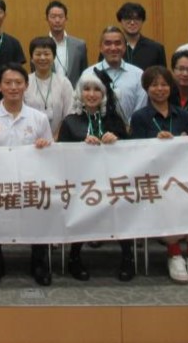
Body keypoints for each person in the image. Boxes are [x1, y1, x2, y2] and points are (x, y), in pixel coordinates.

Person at [0, 63, 54, 287]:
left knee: (38, 215)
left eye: (18, 83)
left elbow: (51, 153)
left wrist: (44, 146)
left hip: (30, 181)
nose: (13, 87)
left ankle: (38, 260)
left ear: (26, 86)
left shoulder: (39, 118)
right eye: (8, 83)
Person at [130, 66, 188, 283]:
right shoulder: (140, 117)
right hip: (154, 178)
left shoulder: (184, 115)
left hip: (182, 175)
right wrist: (155, 143)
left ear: (171, 87)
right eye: (154, 85)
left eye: (164, 84)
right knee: (168, 197)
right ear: (146, 88)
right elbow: (134, 152)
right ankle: (174, 254)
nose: (160, 89)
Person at [57, 73, 127, 281]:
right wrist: (80, 147)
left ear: (104, 95)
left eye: (97, 90)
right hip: (81, 183)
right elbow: (61, 155)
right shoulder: (70, 122)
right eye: (87, 89)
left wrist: (117, 139)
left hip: (112, 181)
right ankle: (74, 257)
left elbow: (131, 151)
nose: (92, 94)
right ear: (80, 93)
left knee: (124, 209)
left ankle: (128, 257)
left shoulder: (114, 120)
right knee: (79, 210)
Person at [81, 26, 147, 129]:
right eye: (108, 43)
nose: (113, 48)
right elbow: (82, 106)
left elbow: (141, 107)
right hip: (97, 132)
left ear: (124, 47)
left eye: (118, 43)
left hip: (131, 132)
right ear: (101, 48)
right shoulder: (89, 74)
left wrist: (129, 127)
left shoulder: (138, 74)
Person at [24, 36, 74, 137]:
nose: (42, 58)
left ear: (54, 57)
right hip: (29, 138)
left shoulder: (64, 83)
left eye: (47, 54)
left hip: (58, 139)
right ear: (32, 58)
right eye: (38, 54)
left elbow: (69, 115)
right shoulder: (25, 82)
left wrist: (56, 136)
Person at [45, 0, 88, 88]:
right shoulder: (40, 46)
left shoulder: (79, 45)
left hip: (74, 93)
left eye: (61, 16)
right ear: (47, 19)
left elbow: (84, 73)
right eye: (53, 17)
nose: (57, 20)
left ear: (66, 19)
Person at [116, 2, 167, 69]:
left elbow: (162, 74)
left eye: (137, 19)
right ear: (120, 21)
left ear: (142, 21)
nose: (132, 22)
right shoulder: (111, 47)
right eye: (128, 18)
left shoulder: (156, 48)